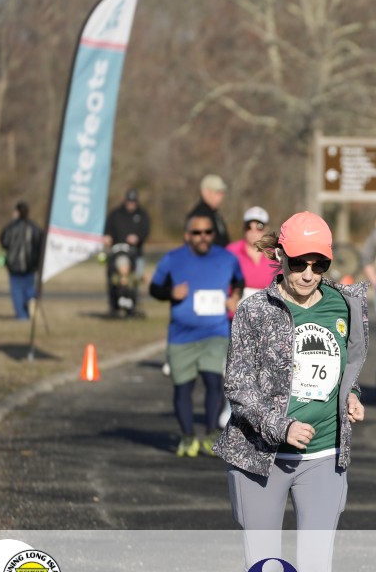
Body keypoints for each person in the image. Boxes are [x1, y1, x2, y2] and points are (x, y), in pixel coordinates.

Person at [214, 211, 368, 572]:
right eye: (299, 263)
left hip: (323, 456)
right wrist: (279, 426)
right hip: (260, 456)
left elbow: (343, 367)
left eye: (320, 264)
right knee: (264, 566)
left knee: (316, 564)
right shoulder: (254, 310)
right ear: (280, 257)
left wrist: (351, 395)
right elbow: (238, 385)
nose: (309, 274)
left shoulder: (345, 304)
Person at [149, 212, 244, 457]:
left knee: (213, 381)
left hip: (215, 332)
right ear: (187, 235)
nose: (203, 237)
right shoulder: (173, 259)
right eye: (197, 232)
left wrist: (234, 295)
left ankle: (211, 433)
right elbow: (154, 288)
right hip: (181, 336)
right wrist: (170, 292)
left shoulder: (226, 258)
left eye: (208, 232)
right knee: (183, 387)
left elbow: (239, 280)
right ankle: (188, 436)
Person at [103, 189, 151, 314]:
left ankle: (131, 305)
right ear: (125, 201)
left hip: (136, 254)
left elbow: (146, 230)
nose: (131, 204)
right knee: (114, 279)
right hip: (116, 253)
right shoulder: (115, 214)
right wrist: (107, 236)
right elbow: (107, 230)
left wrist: (137, 238)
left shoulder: (142, 215)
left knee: (134, 281)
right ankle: (114, 306)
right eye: (129, 201)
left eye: (133, 201)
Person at [0, 201, 44, 320]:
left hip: (14, 265)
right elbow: (40, 244)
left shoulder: (10, 227)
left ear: (17, 212)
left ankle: (22, 315)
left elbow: (4, 242)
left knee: (17, 291)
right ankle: (31, 299)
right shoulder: (34, 227)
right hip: (30, 265)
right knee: (29, 287)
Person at [226, 206, 276, 305]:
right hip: (235, 311)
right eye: (248, 227)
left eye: (259, 227)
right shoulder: (230, 252)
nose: (253, 232)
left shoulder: (276, 255)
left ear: (266, 229)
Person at [188, 174, 231, 247]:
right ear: (205, 192)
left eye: (222, 192)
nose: (222, 196)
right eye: (217, 192)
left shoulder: (215, 214)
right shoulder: (199, 215)